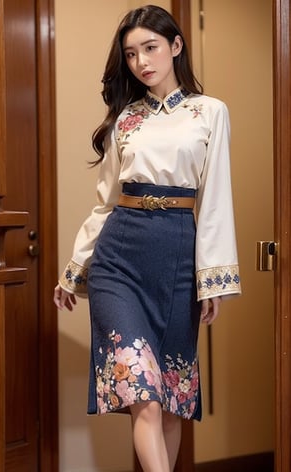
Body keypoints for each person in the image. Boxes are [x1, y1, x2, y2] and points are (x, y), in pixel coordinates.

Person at [54, 5, 241, 471]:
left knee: (172, 399)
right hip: (120, 259)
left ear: (176, 46)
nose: (141, 62)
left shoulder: (209, 112)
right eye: (132, 53)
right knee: (145, 397)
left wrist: (211, 279)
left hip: (177, 257)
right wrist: (75, 268)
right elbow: (105, 201)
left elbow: (216, 197)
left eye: (150, 48)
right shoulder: (125, 121)